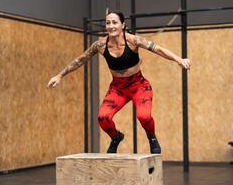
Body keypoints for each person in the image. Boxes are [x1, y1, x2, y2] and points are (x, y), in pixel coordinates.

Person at [47, 11, 191, 154]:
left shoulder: (133, 41)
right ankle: (116, 137)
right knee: (103, 118)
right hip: (118, 88)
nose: (111, 26)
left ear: (123, 25)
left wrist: (179, 60)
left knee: (144, 116)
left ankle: (152, 138)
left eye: (114, 22)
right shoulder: (100, 45)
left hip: (139, 85)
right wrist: (59, 76)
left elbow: (158, 49)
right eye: (108, 23)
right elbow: (80, 60)